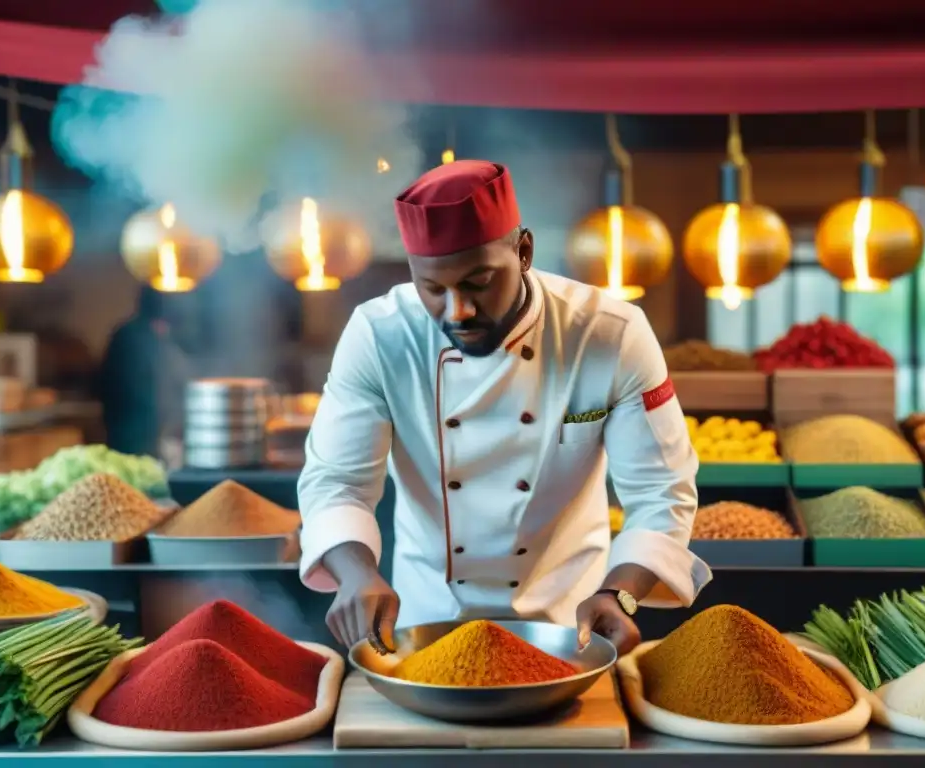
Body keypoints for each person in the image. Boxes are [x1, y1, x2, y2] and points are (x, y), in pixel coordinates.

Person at [298, 160, 710, 656]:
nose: (458, 311)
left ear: (524, 251)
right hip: (424, 627)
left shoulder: (610, 333)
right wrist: (356, 575)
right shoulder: (381, 335)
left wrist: (618, 593)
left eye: (478, 283)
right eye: (433, 290)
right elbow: (336, 482)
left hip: (569, 627)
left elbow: (661, 489)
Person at [98, 285, 190, 461]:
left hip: (149, 435)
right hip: (131, 435)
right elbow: (112, 385)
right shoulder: (131, 337)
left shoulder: (161, 339)